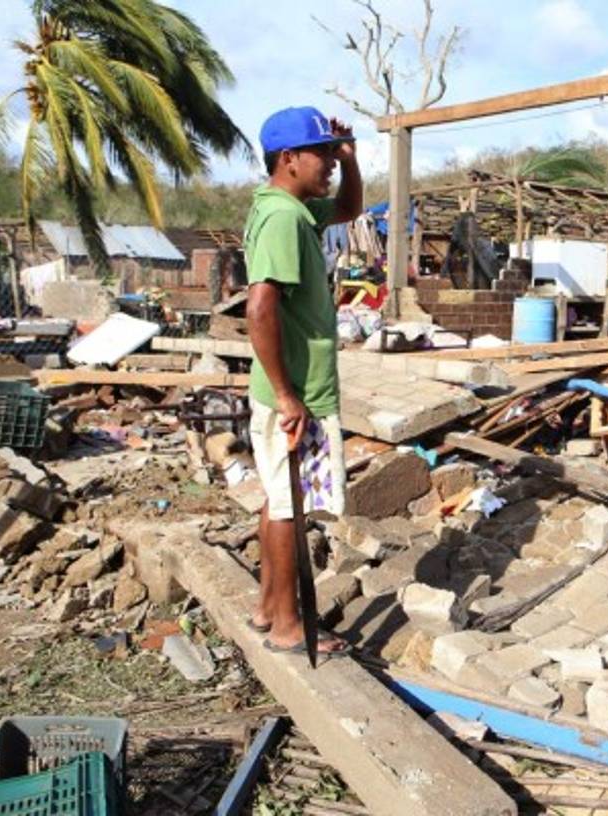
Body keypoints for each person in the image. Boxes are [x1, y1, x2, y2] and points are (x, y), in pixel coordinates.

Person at [245, 106, 362, 657]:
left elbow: (349, 208)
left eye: (332, 152)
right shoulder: (284, 220)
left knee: (278, 500)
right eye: (321, 153)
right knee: (291, 505)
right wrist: (289, 395)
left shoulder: (288, 207)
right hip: (297, 394)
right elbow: (260, 309)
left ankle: (269, 609)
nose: (329, 163)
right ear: (289, 158)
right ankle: (289, 627)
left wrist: (350, 156)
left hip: (290, 389)